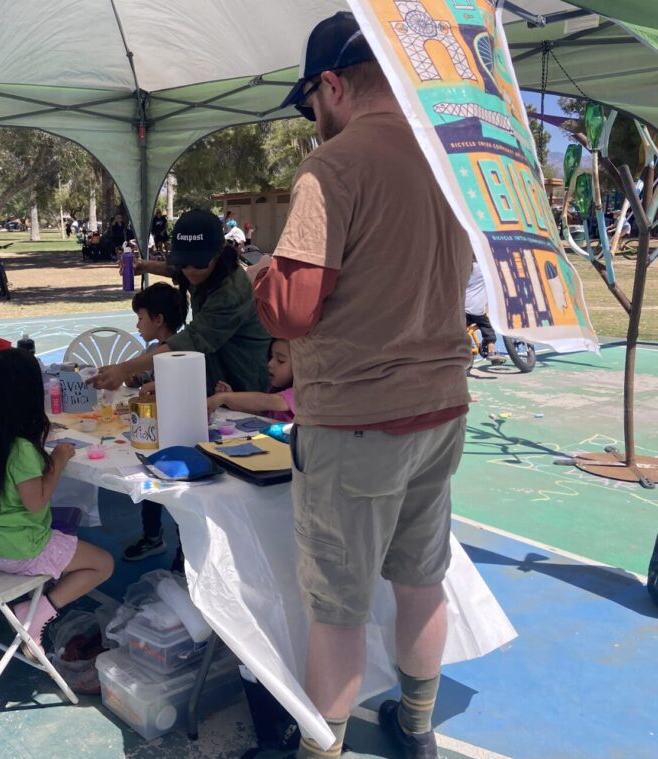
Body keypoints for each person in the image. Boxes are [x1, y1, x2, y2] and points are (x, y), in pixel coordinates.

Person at [251, 13, 471, 759]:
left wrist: (264, 280)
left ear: (335, 86)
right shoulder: (449, 160)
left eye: (312, 104)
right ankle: (416, 729)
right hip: (441, 409)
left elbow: (293, 308)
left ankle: (324, 751)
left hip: (357, 422)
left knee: (339, 612)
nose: (313, 122)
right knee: (420, 584)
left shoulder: (334, 168)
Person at [0, 348, 114, 649]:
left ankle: (30, 596)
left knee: (67, 531)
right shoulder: (21, 449)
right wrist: (57, 461)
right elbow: (36, 502)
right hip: (22, 550)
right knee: (103, 564)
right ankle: (37, 611)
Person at [89, 209, 270, 395]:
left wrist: (125, 369)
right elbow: (176, 269)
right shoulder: (200, 266)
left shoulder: (231, 292)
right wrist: (145, 266)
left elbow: (189, 341)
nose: (190, 270)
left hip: (244, 380)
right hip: (216, 377)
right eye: (184, 262)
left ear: (219, 253)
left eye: (198, 263)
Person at [120, 283, 188, 561]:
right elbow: (133, 378)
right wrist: (136, 376)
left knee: (183, 494)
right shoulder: (152, 349)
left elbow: (185, 388)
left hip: (181, 433)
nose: (137, 324)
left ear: (158, 320)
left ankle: (187, 551)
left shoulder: (183, 351)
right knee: (149, 476)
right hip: (153, 431)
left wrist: (157, 385)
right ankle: (152, 535)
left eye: (140, 318)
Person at [207, 337, 294, 421]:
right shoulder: (276, 389)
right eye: (271, 357)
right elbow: (258, 413)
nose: (270, 363)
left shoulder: (300, 394)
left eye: (280, 360)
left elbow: (268, 401)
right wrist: (231, 400)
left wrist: (224, 397)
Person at [465, 259, 505, 365]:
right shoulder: (483, 268)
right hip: (477, 309)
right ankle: (491, 350)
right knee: (488, 329)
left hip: (461, 309)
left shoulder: (463, 268)